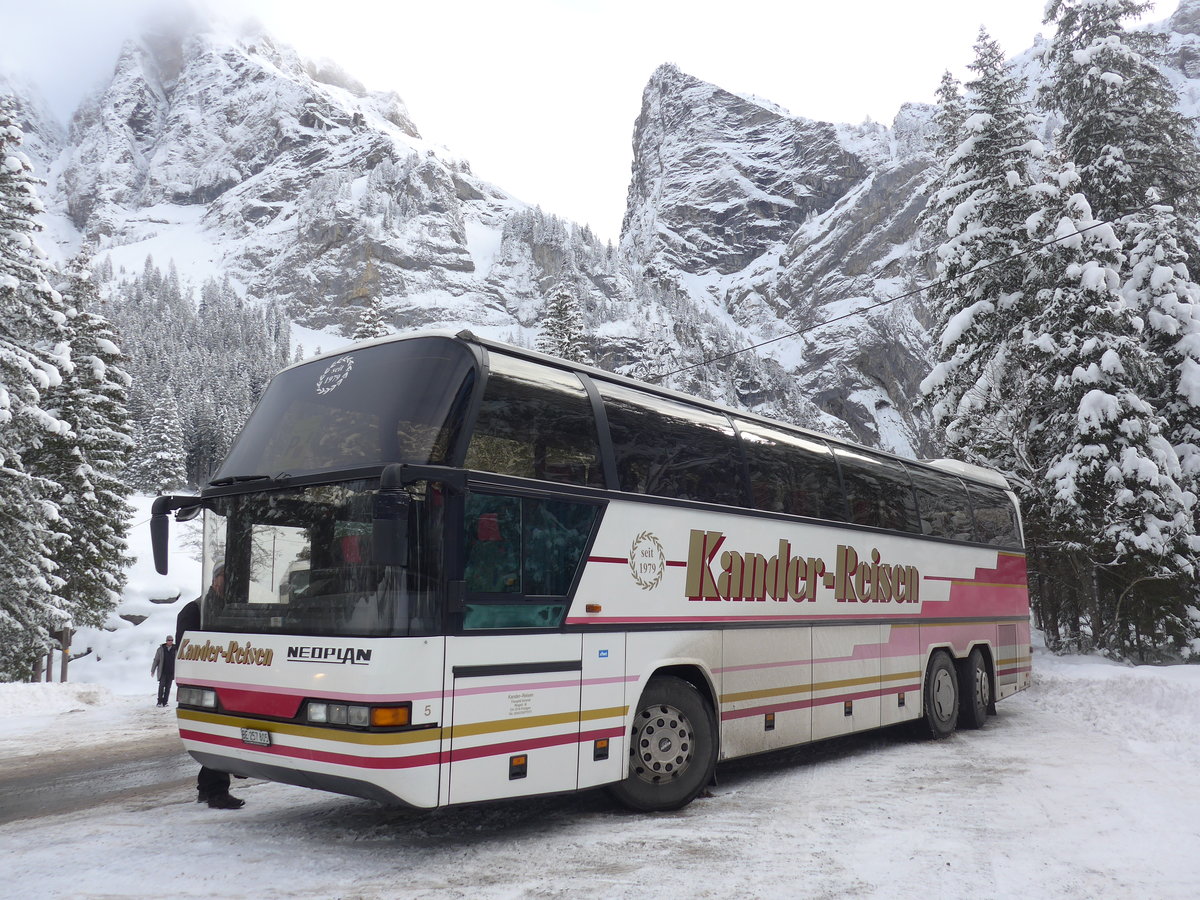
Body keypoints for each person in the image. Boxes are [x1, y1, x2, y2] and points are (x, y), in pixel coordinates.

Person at [176, 580, 246, 810]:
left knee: (219, 736)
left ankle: (207, 789)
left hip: (228, 678)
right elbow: (186, 648)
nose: (226, 582)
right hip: (206, 682)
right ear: (214, 580)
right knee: (219, 736)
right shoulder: (196, 609)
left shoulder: (232, 605)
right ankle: (216, 792)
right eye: (223, 576)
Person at [150, 635, 176, 706]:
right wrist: (153, 670)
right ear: (166, 641)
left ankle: (165, 702)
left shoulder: (175, 649)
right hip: (163, 671)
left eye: (171, 640)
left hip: (171, 672)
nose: (170, 641)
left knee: (168, 687)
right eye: (169, 640)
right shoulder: (161, 649)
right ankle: (159, 702)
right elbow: (156, 660)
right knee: (161, 686)